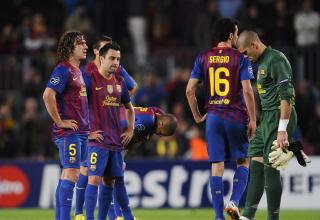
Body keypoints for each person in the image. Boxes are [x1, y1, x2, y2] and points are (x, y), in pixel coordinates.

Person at [186, 18, 256, 220]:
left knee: (217, 166)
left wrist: (198, 116)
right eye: (236, 32)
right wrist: (252, 119)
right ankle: (233, 201)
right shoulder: (240, 58)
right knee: (243, 161)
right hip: (235, 116)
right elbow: (248, 91)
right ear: (231, 35)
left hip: (213, 117)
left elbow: (190, 90)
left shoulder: (204, 57)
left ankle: (218, 217)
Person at [236, 30, 298, 220]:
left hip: (279, 117)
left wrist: (282, 130)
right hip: (266, 120)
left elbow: (286, 96)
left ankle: (273, 217)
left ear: (254, 45)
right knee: (255, 165)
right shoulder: (261, 62)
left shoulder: (275, 60)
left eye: (246, 53)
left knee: (271, 168)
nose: (245, 57)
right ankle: (248, 215)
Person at [75, 35, 137, 220]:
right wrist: (86, 133)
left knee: (110, 183)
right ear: (101, 58)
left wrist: (131, 129)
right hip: (97, 141)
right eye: (112, 58)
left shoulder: (119, 83)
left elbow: (129, 108)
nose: (116, 62)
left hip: (115, 143)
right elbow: (74, 106)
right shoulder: (89, 79)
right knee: (93, 179)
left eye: (118, 59)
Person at [42, 31, 89, 220]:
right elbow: (48, 95)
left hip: (81, 132)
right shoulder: (63, 70)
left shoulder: (77, 71)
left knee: (68, 174)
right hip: (68, 132)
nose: (85, 47)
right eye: (81, 44)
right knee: (72, 172)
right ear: (70, 47)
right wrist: (59, 121)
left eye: (85, 43)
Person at [107, 106, 177, 220]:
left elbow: (156, 110)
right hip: (109, 132)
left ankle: (122, 216)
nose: (159, 135)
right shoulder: (148, 122)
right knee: (107, 178)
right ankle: (114, 216)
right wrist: (122, 156)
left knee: (116, 178)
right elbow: (130, 139)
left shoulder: (154, 113)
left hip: (113, 128)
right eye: (161, 133)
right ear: (162, 124)